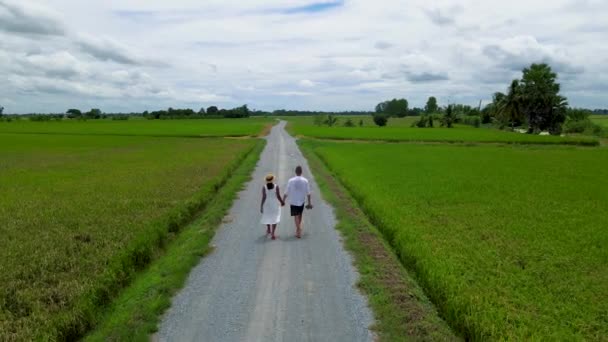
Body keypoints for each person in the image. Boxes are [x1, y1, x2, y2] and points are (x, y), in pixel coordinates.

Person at [283, 165, 313, 238]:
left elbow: (286, 192)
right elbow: (308, 193)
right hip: (301, 201)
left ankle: (298, 230)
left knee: (296, 216)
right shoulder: (305, 181)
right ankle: (298, 229)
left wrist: (283, 200)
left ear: (295, 172)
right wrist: (309, 203)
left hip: (293, 201)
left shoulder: (290, 180)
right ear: (301, 172)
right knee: (300, 214)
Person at [260, 173, 284, 240]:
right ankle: (273, 233)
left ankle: (268, 229)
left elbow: (264, 197)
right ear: (273, 180)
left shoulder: (264, 187)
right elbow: (278, 196)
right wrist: (282, 202)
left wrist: (261, 206)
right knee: (274, 218)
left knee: (267, 216)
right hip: (275, 204)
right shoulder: (276, 187)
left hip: (267, 204)